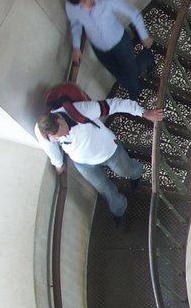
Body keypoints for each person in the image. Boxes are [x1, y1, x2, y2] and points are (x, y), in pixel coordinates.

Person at [36, 97, 164, 228]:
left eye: (64, 129)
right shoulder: (43, 133)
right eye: (60, 136)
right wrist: (58, 164)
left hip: (109, 151)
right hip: (83, 163)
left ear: (58, 118)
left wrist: (143, 112)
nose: (66, 133)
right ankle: (120, 210)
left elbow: (114, 104)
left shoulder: (81, 110)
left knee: (126, 170)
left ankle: (136, 174)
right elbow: (50, 149)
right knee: (103, 188)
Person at [65, 0, 155, 98]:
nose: (91, 2)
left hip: (119, 41)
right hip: (99, 48)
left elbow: (133, 12)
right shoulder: (72, 8)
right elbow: (75, 24)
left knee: (132, 72)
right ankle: (136, 92)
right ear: (77, 3)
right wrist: (76, 47)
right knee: (119, 74)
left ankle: (147, 57)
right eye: (85, 1)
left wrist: (144, 36)